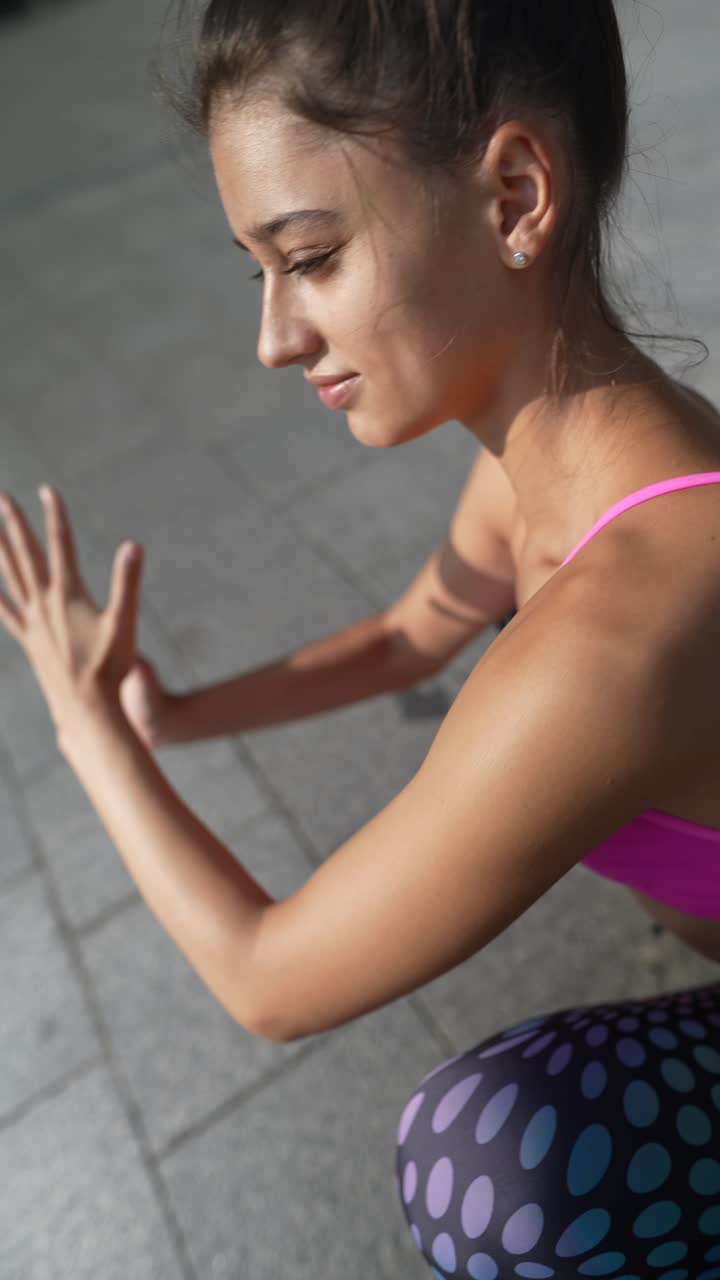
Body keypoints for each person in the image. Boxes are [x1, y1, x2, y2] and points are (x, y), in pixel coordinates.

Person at [1, 1, 719, 1276]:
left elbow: (269, 977)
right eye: (261, 270)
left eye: (314, 257)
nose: (273, 339)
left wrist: (83, 726)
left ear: (514, 194)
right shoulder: (566, 467)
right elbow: (406, 636)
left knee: (492, 1163)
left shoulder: (620, 631)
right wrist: (168, 708)